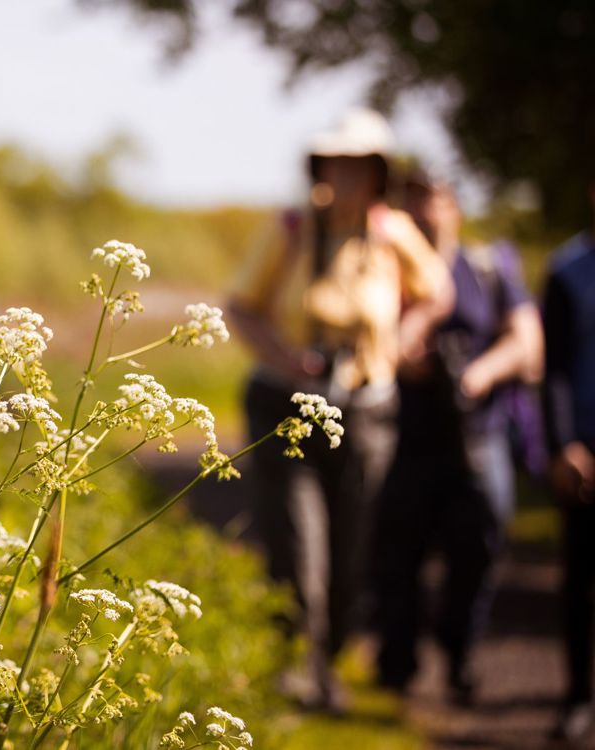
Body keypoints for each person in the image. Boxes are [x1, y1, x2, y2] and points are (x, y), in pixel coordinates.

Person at [228, 109, 454, 712]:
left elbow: (437, 292)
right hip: (285, 404)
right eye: (336, 162)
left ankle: (330, 666)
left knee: (356, 548)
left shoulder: (392, 232)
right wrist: (287, 356)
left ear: (379, 173)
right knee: (299, 543)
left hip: (367, 408)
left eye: (359, 165)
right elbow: (241, 307)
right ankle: (295, 667)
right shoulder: (291, 227)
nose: (346, 174)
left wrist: (406, 336)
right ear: (319, 166)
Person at [372, 175, 543, 704]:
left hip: (477, 435)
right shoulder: (385, 274)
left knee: (480, 544)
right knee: (396, 554)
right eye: (415, 203)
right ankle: (396, 667)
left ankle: (459, 649)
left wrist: (479, 375)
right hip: (405, 437)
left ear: (456, 212)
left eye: (438, 202)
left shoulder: (487, 268)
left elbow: (528, 344)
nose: (427, 213)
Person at [544, 182, 595, 743]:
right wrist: (563, 445)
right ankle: (578, 696)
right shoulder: (567, 271)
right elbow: (554, 368)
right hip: (584, 452)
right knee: (579, 581)